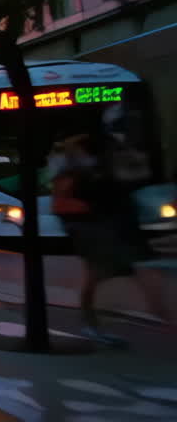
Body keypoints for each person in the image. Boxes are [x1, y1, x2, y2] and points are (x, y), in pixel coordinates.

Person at [52, 133, 172, 345]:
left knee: (122, 273)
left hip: (114, 229)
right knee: (108, 274)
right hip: (98, 232)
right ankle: (94, 323)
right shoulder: (74, 174)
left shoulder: (100, 170)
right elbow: (62, 205)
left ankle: (160, 316)